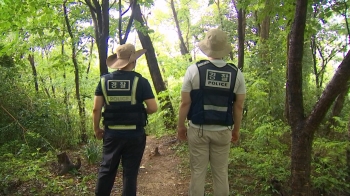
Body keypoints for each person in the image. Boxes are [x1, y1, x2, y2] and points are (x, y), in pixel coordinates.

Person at [177, 29, 246, 196]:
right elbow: (238, 105)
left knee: (198, 172)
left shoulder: (194, 70)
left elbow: (185, 102)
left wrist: (180, 126)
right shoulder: (236, 73)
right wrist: (236, 129)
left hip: (198, 129)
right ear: (224, 49)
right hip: (223, 131)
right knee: (221, 173)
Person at [92, 43, 158, 196]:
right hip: (135, 135)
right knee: (130, 174)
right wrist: (141, 111)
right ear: (133, 61)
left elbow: (96, 109)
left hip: (111, 135)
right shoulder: (140, 81)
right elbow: (153, 108)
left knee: (107, 170)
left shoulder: (104, 81)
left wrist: (96, 128)